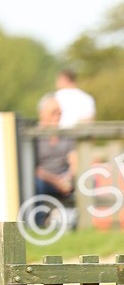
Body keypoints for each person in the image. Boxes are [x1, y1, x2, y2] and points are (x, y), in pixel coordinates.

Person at [33, 94, 77, 227]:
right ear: (42, 114)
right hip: (45, 181)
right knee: (36, 184)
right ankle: (40, 224)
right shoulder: (34, 136)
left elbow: (74, 162)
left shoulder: (66, 135)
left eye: (60, 112)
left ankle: (86, 223)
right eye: (54, 112)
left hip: (65, 180)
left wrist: (67, 178)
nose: (57, 116)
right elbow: (35, 169)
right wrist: (57, 181)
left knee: (89, 180)